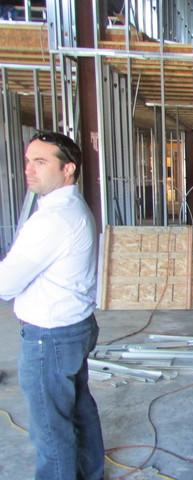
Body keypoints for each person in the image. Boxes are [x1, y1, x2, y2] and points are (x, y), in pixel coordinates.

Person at [0, 131, 104, 480]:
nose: (30, 169)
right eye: (28, 160)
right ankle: (91, 472)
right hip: (73, 327)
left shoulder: (51, 220)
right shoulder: (71, 208)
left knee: (50, 428)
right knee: (78, 410)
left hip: (50, 336)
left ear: (68, 169)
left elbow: (5, 284)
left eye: (41, 162)